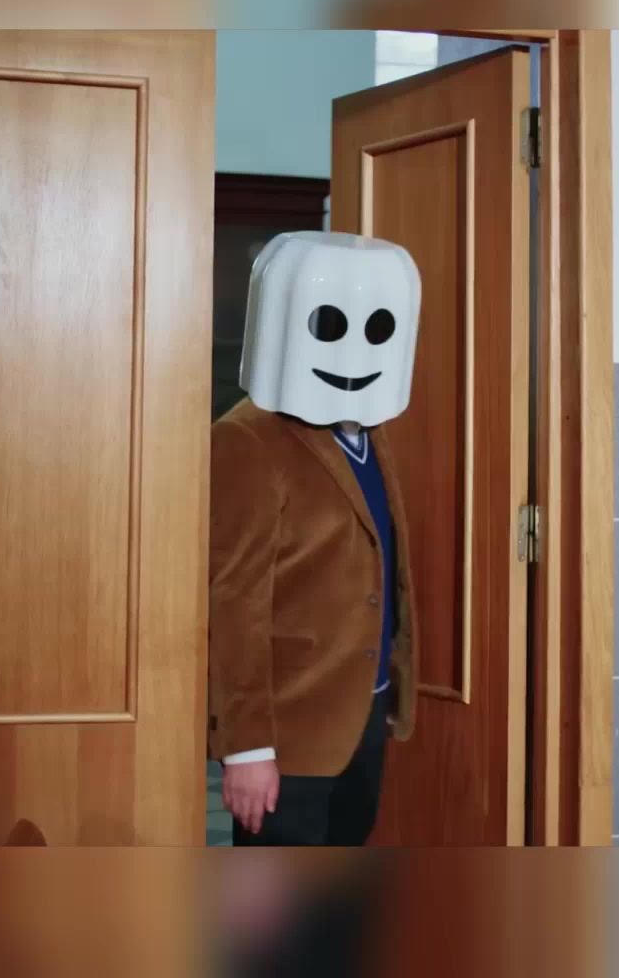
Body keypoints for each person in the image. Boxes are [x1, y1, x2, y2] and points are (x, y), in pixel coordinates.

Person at [210, 230, 422, 846]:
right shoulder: (247, 441)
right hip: (290, 735)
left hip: (363, 715)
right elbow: (233, 603)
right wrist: (247, 748)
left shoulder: (369, 427)